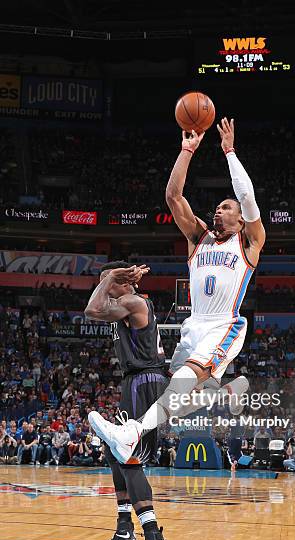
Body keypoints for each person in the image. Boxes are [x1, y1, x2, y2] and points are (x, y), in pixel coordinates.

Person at [89, 117, 264, 463]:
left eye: (226, 207)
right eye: (218, 206)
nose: (219, 209)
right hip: (193, 324)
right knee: (181, 402)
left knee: (184, 380)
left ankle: (131, 433)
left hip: (223, 324)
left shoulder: (250, 242)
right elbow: (172, 196)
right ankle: (229, 389)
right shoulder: (198, 237)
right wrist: (187, 150)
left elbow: (246, 196)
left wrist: (229, 152)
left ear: (241, 219)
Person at [84, 261, 171, 540]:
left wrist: (108, 277)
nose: (104, 288)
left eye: (108, 282)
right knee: (112, 450)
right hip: (134, 381)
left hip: (145, 382)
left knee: (129, 456)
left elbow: (91, 311)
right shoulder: (124, 304)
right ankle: (125, 530)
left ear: (121, 282)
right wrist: (110, 279)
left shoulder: (133, 302)